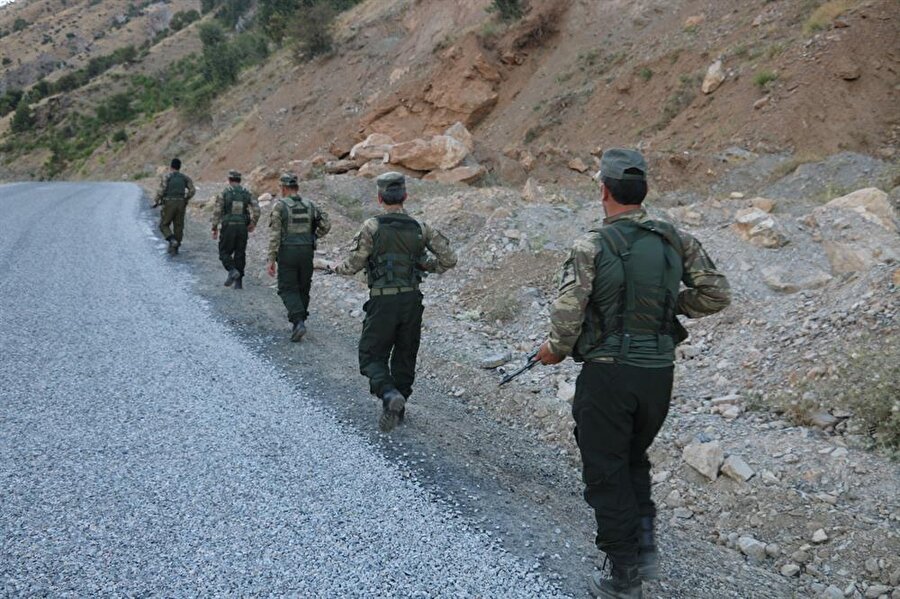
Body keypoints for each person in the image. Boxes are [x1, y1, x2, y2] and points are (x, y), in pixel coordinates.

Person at [535, 149, 731, 598]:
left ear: (603, 190)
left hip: (608, 376)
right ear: (642, 192)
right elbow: (717, 294)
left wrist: (554, 350)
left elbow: (568, 313)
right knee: (632, 459)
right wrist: (666, 308)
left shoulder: (591, 245)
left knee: (605, 469)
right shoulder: (675, 239)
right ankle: (643, 549)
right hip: (658, 376)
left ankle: (624, 574)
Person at [331, 172, 457, 433]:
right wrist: (425, 264)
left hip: (383, 302)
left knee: (371, 355)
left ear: (379, 198)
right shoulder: (420, 228)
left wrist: (333, 268)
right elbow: (449, 259)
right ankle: (400, 408)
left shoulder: (371, 227)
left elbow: (353, 264)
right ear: (405, 197)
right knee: (405, 354)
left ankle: (389, 395)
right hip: (411, 300)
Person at [266, 173, 331, 341]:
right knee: (303, 286)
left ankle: (298, 321)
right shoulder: (311, 205)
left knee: (287, 287)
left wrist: (271, 259)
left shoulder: (280, 207)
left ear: (285, 188)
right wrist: (314, 237)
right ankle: (300, 320)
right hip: (307, 251)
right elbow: (326, 224)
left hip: (288, 252)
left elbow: (275, 236)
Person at [211, 170, 260, 289]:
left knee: (224, 252)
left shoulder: (224, 193)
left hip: (228, 226)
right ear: (240, 180)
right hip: (242, 227)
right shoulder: (246, 193)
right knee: (240, 253)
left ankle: (232, 271)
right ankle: (239, 283)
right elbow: (257, 210)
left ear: (229, 180)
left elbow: (217, 211)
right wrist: (253, 223)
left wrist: (214, 227)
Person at [153, 158, 196, 255]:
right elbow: (192, 190)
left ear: (171, 167)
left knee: (163, 224)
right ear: (179, 167)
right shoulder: (185, 178)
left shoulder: (167, 177)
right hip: (181, 203)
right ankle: (175, 248)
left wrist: (156, 201)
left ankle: (172, 240)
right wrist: (186, 199)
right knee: (179, 226)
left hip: (169, 203)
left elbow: (161, 191)